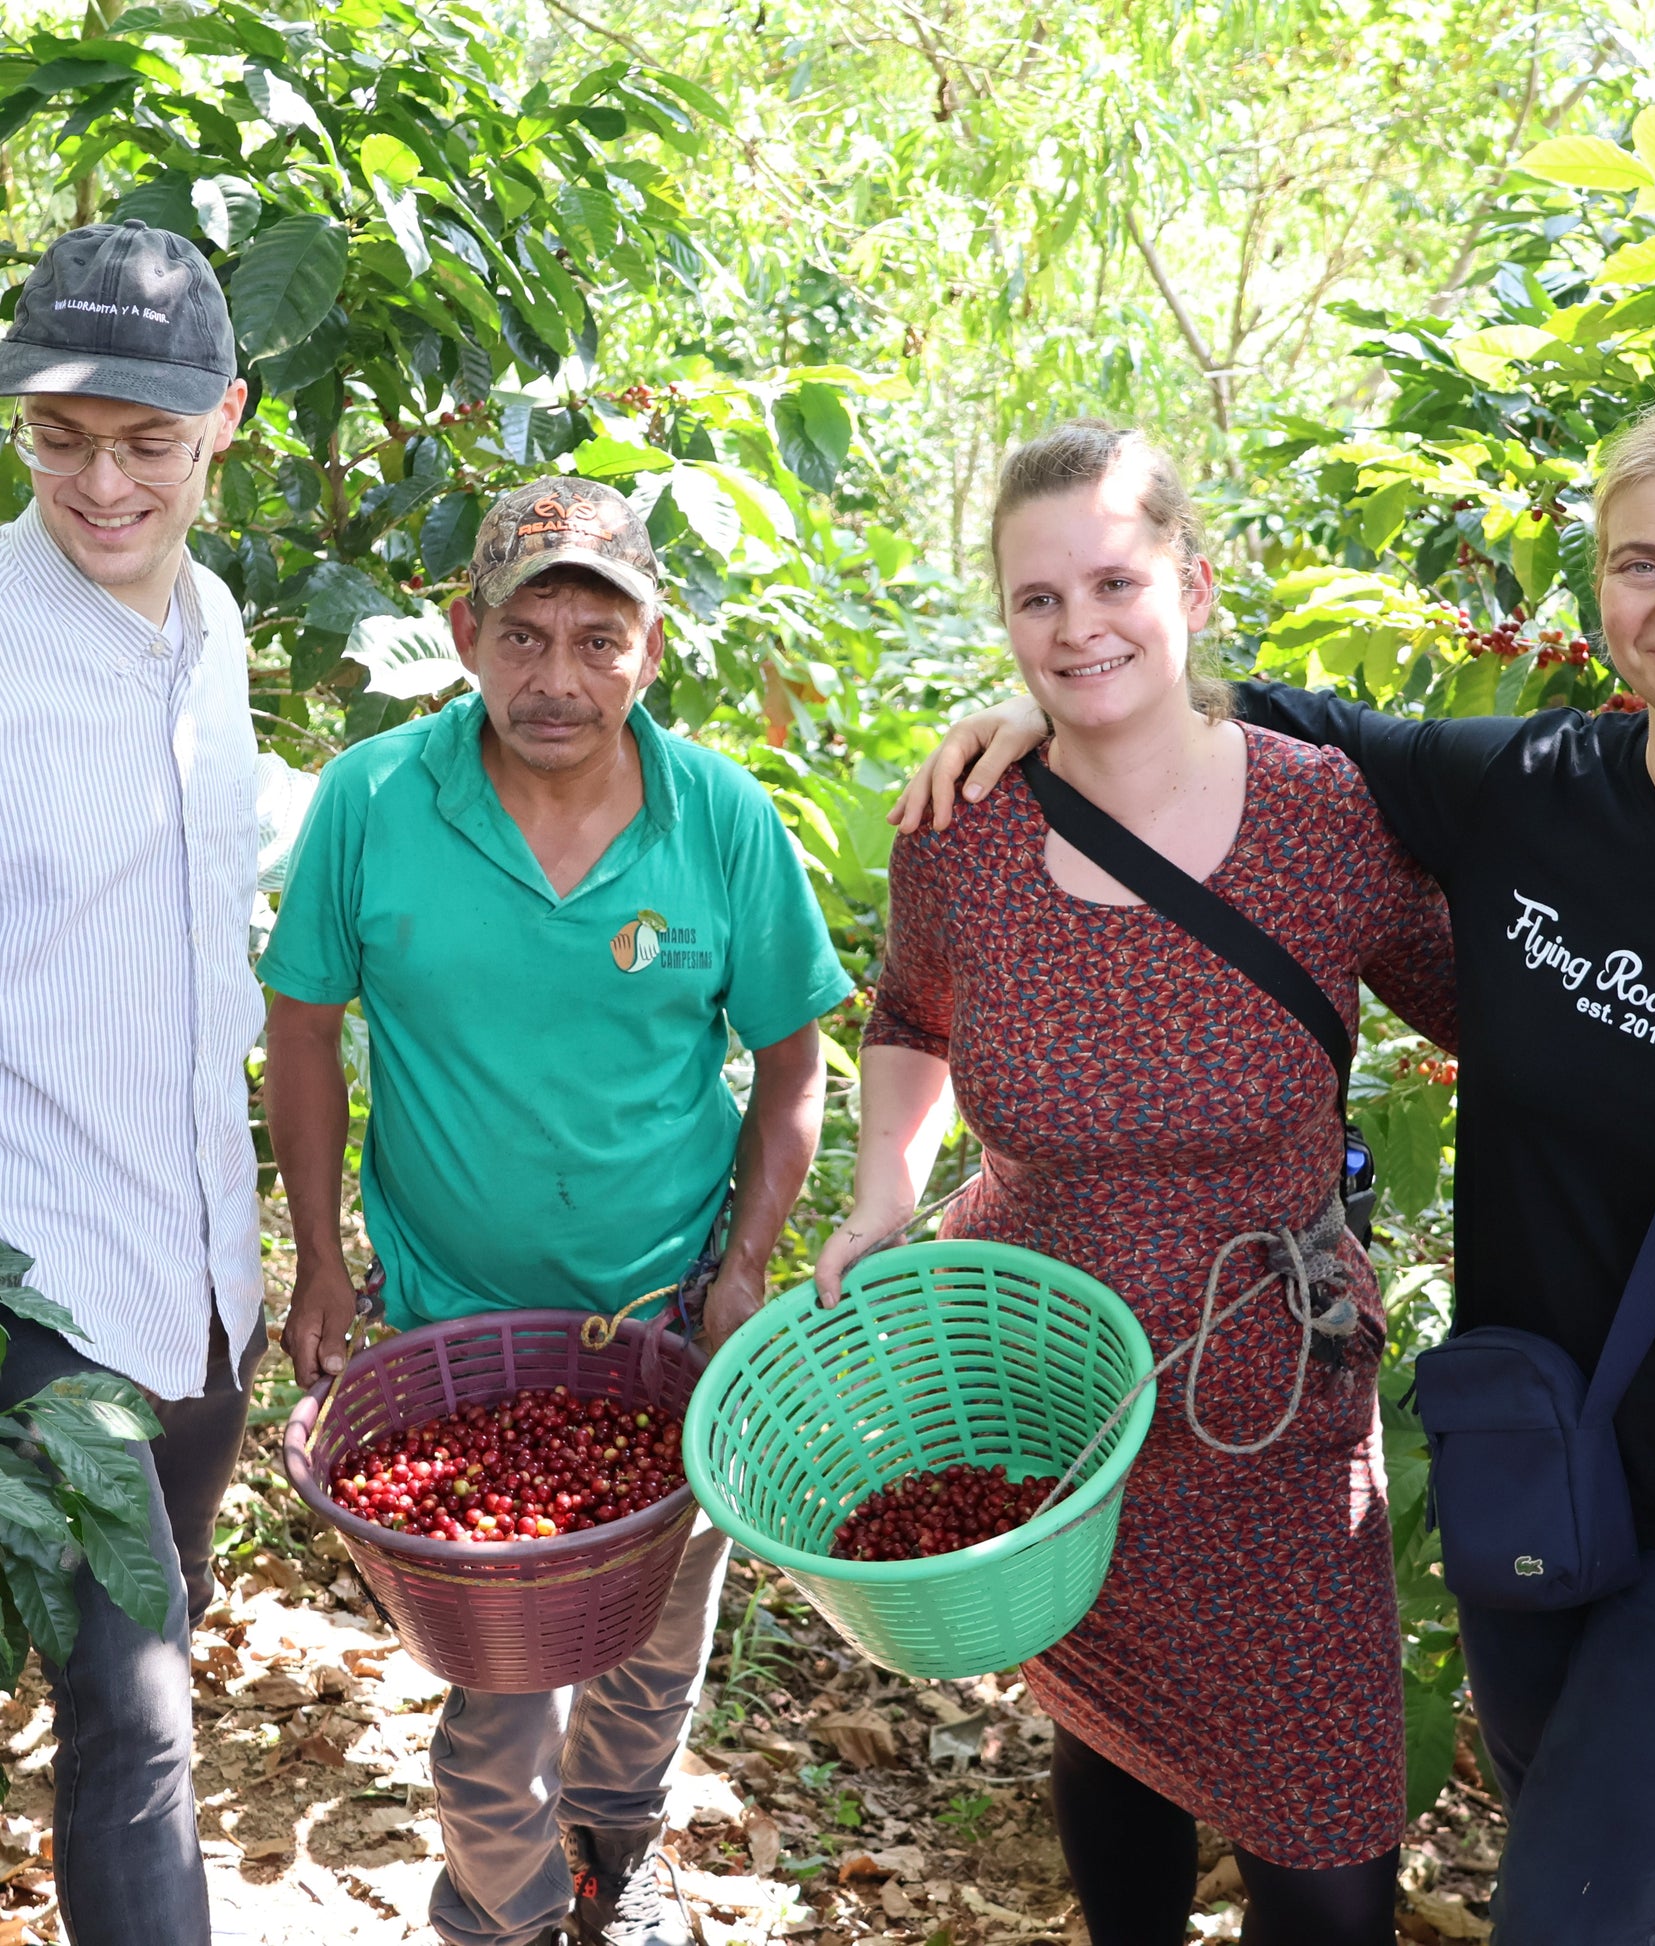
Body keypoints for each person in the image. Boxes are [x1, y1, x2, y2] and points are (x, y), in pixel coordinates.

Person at [895, 394, 1655, 1942]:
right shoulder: (1523, 791)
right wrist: (1041, 722)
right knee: (1580, 1855)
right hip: (1527, 1455)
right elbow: (1249, 723)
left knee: (1562, 1911)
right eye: (1641, 562)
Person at [814, 422, 1457, 1946]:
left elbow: (1489, 1012)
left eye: (1113, 581)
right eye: (1036, 599)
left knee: (1328, 1862)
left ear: (1193, 584)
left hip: (1269, 1407)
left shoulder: (1320, 816)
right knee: (1114, 1744)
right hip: (1049, 1398)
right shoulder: (961, 832)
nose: (1076, 626)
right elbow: (910, 1016)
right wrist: (882, 1192)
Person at [260, 478, 852, 1946]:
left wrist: (744, 1269)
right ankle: (503, 1905)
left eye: (599, 639)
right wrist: (323, 1257)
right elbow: (304, 1028)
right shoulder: (375, 800)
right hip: (456, 1327)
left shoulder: (719, 816)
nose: (558, 679)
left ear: (650, 650)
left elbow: (794, 1064)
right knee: (498, 1677)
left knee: (655, 1639)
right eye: (524, 636)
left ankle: (613, 1851)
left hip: (665, 1312)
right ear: (465, 635)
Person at [0, 221, 267, 1946]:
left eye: (146, 441)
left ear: (224, 422)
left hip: (205, 1284)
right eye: (59, 434)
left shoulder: (216, 626)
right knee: (135, 1719)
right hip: (39, 1285)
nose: (102, 483)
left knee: (143, 1660)